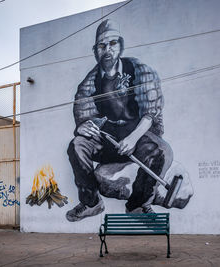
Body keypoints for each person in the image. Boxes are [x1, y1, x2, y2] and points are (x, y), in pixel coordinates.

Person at [66, 19, 173, 222]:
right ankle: (91, 202)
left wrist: (132, 139)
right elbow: (83, 113)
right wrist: (84, 126)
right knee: (77, 145)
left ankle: (138, 205)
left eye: (112, 43)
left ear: (121, 45)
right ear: (95, 50)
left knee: (163, 151)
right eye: (102, 45)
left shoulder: (140, 70)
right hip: (109, 140)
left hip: (139, 135)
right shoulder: (89, 83)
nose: (107, 49)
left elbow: (151, 113)